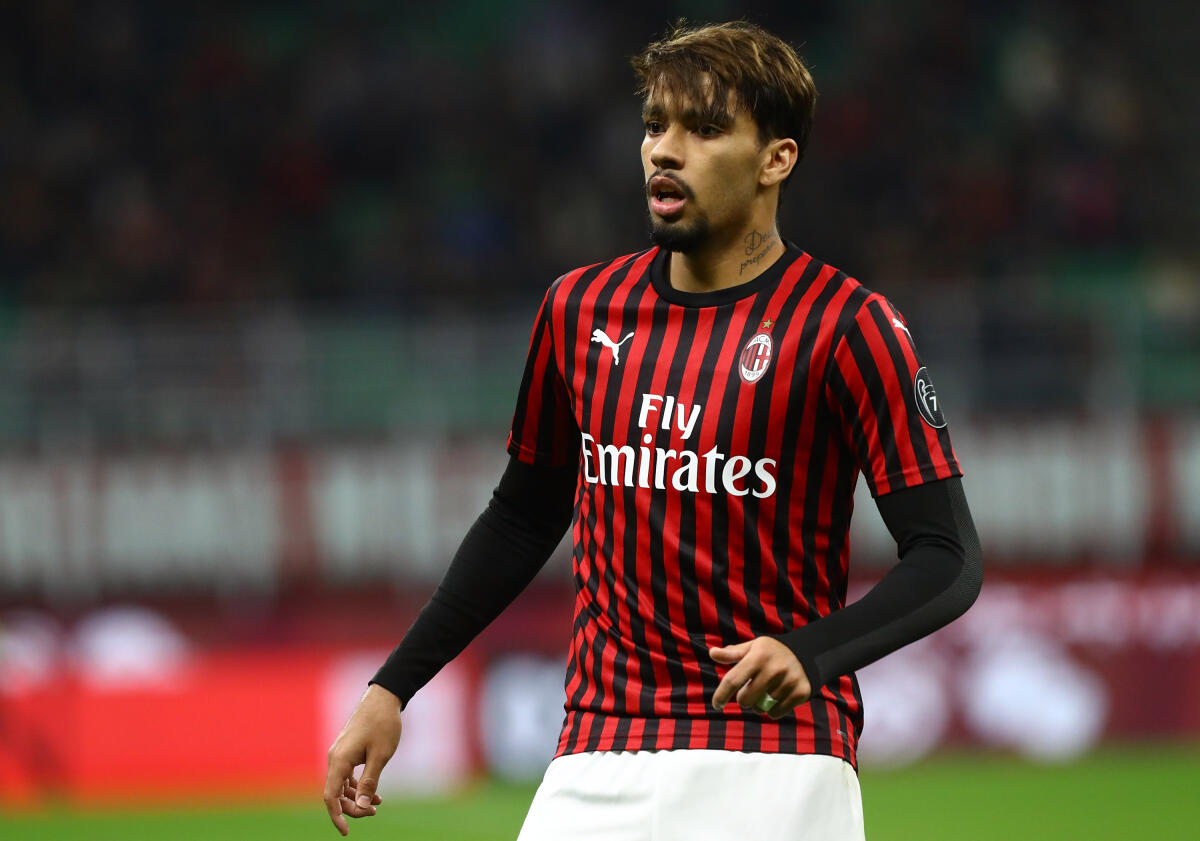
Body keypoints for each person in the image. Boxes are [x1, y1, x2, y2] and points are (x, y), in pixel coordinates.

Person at [323, 20, 982, 840]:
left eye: (703, 129)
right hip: (598, 751)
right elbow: (524, 516)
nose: (664, 151)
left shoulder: (846, 326)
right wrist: (394, 686)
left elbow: (947, 556)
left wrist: (814, 652)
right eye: (654, 126)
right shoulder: (580, 311)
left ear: (777, 158)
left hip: (773, 757)